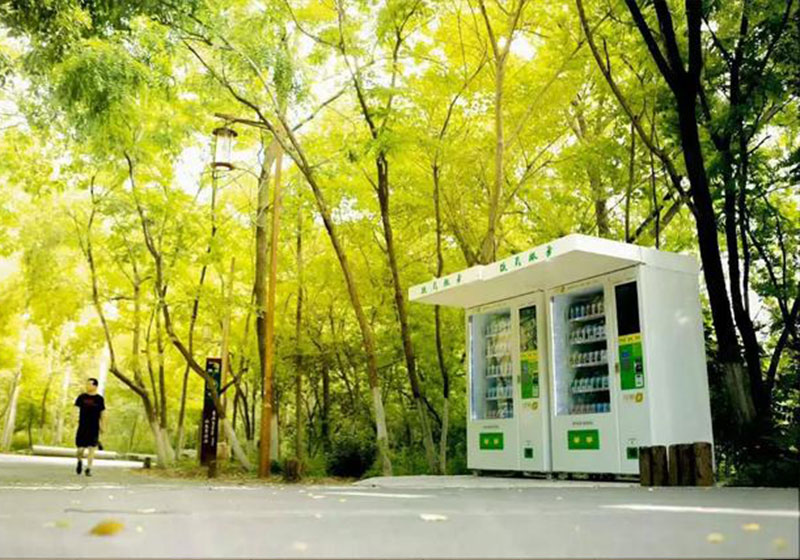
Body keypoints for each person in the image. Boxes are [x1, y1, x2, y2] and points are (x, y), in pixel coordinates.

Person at [74, 378, 106, 477]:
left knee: (92, 449)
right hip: (82, 426)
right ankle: (79, 461)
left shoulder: (99, 399)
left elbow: (103, 413)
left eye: (89, 384)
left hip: (94, 427)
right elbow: (75, 409)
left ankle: (89, 468)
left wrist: (103, 426)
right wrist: (73, 419)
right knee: (80, 450)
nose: (87, 386)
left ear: (95, 386)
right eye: (86, 384)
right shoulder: (81, 397)